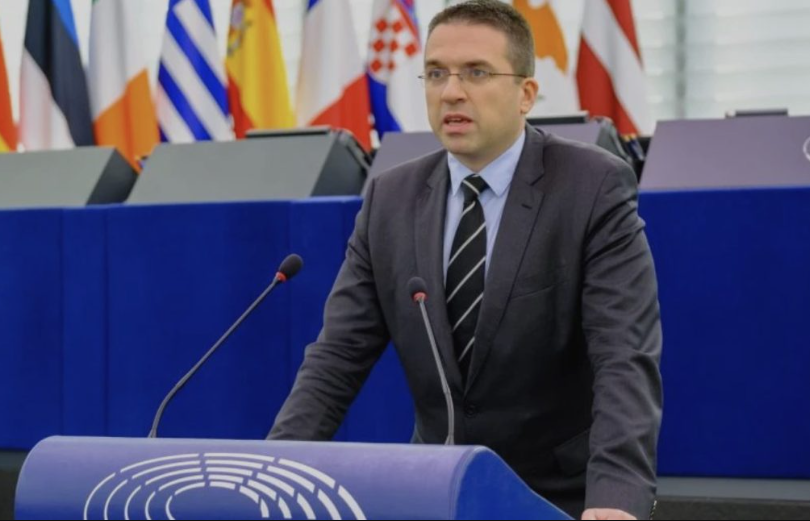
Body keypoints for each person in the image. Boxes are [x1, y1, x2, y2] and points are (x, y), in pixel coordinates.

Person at [269, 1, 662, 519]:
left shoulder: (591, 186)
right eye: (436, 73)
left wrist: (615, 499)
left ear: (526, 94)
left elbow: (624, 358)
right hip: (433, 493)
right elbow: (336, 359)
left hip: (557, 497)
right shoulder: (390, 197)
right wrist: (270, 477)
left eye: (476, 72)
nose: (451, 91)